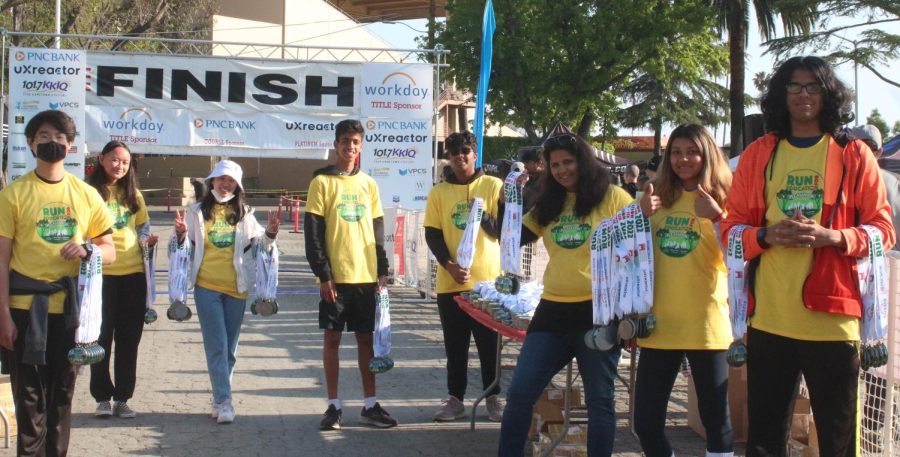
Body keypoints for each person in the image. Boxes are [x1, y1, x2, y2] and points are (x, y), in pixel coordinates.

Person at [721, 56, 894, 457]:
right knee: (764, 440)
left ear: (828, 94)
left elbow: (883, 232)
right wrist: (766, 234)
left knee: (837, 440)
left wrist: (832, 236)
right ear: (781, 95)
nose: (803, 95)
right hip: (769, 320)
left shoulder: (853, 155)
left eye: (812, 86)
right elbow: (730, 231)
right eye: (794, 87)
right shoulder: (758, 154)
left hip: (834, 323)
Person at [498, 132, 639, 456]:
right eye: (555, 164)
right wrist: (509, 202)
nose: (562, 170)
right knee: (520, 394)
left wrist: (634, 311)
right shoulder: (549, 203)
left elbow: (637, 252)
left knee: (600, 402)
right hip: (552, 313)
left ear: (583, 162)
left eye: (568, 162)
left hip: (599, 315)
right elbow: (511, 239)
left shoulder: (614, 198)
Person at [0, 110, 116, 456]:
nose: (53, 143)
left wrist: (88, 249)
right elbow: (1, 260)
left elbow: (111, 250)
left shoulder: (85, 194)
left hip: (70, 312)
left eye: (60, 138)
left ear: (71, 145)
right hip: (24, 312)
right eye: (45, 137)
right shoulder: (13, 195)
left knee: (62, 397)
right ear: (31, 143)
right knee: (30, 399)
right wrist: (3, 314)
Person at [633, 124, 734, 457]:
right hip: (659, 326)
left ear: (707, 155)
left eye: (692, 151)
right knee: (645, 423)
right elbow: (625, 252)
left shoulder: (725, 198)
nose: (683, 159)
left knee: (716, 423)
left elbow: (741, 256)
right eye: (676, 152)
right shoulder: (654, 198)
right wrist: (638, 215)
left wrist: (718, 217)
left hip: (706, 326)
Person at [304, 119, 397, 431]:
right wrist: (323, 276)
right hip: (336, 278)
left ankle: (370, 405)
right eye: (345, 141)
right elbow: (313, 234)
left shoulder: (369, 184)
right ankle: (333, 406)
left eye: (355, 141)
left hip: (366, 277)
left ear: (361, 146)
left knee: (365, 341)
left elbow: (377, 232)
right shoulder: (321, 183)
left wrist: (381, 270)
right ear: (336, 144)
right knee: (331, 339)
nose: (350, 146)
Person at [173, 159, 279, 425]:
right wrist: (181, 235)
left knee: (230, 350)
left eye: (230, 180)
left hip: (237, 289)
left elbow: (261, 246)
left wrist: (271, 234)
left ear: (237, 185)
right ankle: (224, 400)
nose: (224, 184)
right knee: (217, 346)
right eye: (220, 179)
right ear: (211, 182)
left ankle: (220, 394)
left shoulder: (245, 213)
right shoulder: (196, 211)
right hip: (206, 287)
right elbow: (182, 248)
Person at [424, 131, 505, 423]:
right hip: (451, 283)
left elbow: (505, 231)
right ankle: (455, 399)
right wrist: (448, 264)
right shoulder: (438, 193)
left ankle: (493, 398)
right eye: (454, 151)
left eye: (466, 150)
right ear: (448, 157)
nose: (460, 156)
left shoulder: (494, 186)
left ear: (475, 154)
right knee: (455, 346)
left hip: (488, 286)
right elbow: (432, 233)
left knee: (489, 346)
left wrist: (482, 216)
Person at [86, 141, 158, 419]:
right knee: (99, 338)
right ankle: (102, 397)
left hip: (133, 276)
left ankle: (123, 398)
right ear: (102, 159)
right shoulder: (88, 192)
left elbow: (143, 228)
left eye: (125, 162)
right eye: (115, 160)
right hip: (100, 276)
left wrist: (147, 241)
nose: (119, 166)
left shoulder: (134, 195)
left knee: (129, 339)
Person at [852, 124, 900, 250]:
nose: (863, 152)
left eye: (869, 148)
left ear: (879, 152)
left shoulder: (893, 182)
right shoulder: (894, 181)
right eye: (858, 147)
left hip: (884, 260)